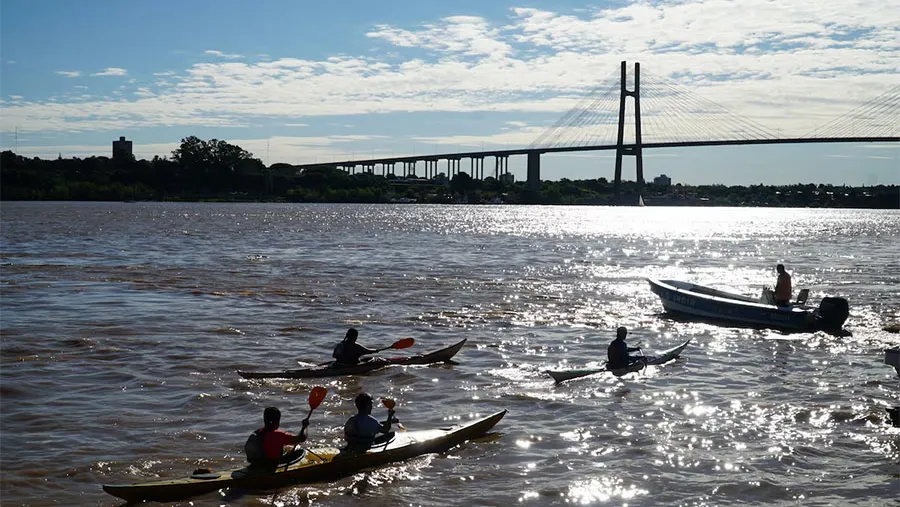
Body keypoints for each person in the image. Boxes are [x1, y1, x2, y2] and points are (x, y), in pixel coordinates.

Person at [244, 406, 308, 470]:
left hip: (256, 464)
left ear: (264, 420)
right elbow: (301, 438)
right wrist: (305, 427)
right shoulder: (278, 435)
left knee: (286, 449)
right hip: (270, 467)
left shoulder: (257, 432)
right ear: (278, 421)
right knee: (299, 451)